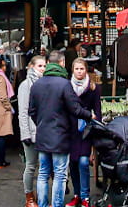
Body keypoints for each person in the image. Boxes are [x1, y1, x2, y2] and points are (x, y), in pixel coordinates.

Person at [29, 50, 93, 207]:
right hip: (61, 136)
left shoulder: (37, 84)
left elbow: (31, 111)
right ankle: (56, 205)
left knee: (43, 173)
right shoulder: (64, 84)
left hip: (43, 134)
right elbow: (75, 109)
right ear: (62, 63)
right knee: (60, 174)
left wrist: (42, 124)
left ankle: (43, 205)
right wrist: (90, 115)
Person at [67, 58, 101, 207]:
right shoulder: (66, 87)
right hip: (71, 130)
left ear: (86, 70)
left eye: (82, 69)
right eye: (76, 69)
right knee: (73, 163)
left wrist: (96, 128)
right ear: (72, 70)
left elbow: (98, 111)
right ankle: (77, 195)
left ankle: (85, 196)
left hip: (86, 129)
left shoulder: (93, 87)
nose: (79, 72)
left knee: (83, 161)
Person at [19, 55, 47, 207]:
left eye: (44, 66)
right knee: (30, 166)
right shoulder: (25, 85)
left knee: (43, 167)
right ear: (31, 66)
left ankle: (41, 198)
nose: (42, 69)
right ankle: (29, 197)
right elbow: (23, 111)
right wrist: (25, 133)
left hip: (43, 131)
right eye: (39, 66)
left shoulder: (45, 83)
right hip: (30, 131)